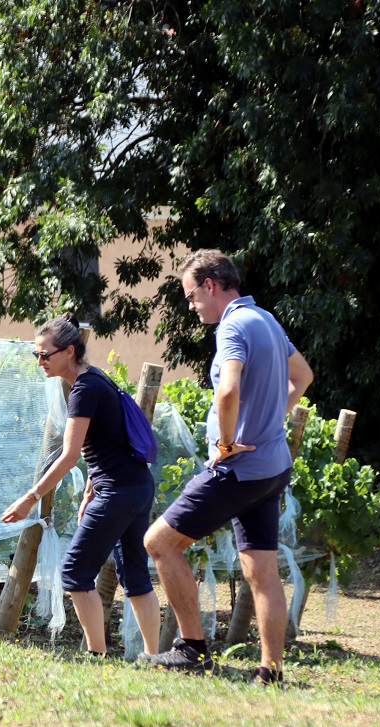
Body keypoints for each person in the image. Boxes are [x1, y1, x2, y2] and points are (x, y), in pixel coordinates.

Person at [141, 249, 313, 685]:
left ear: (211, 286)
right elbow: (304, 376)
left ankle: (191, 650)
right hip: (271, 467)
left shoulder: (233, 325)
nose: (191, 304)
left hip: (237, 468)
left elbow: (228, 390)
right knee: (261, 569)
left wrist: (224, 442)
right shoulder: (267, 321)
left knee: (159, 543)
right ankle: (270, 672)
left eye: (191, 295)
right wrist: (273, 419)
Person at [0, 313, 161, 657]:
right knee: (135, 574)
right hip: (136, 487)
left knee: (74, 572)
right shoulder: (96, 379)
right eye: (36, 355)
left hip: (119, 490)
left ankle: (96, 655)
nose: (39, 361)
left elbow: (69, 455)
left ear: (69, 351)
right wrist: (90, 490)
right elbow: (106, 442)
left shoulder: (84, 389)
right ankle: (153, 656)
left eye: (45, 354)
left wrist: (30, 498)